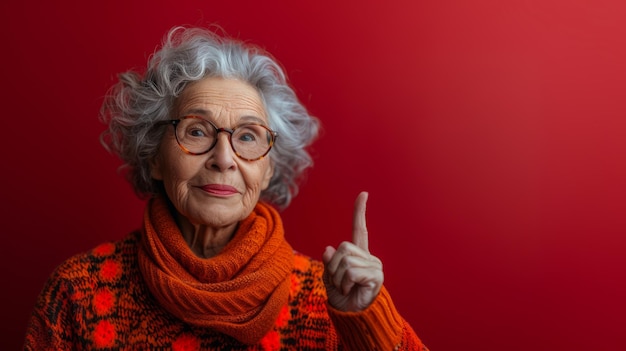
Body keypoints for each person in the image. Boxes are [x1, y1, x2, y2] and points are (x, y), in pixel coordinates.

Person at [24, 25, 428, 351]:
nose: (224, 158)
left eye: (248, 137)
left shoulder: (326, 300)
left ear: (270, 168)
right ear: (153, 156)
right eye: (197, 131)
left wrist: (365, 323)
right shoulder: (78, 291)